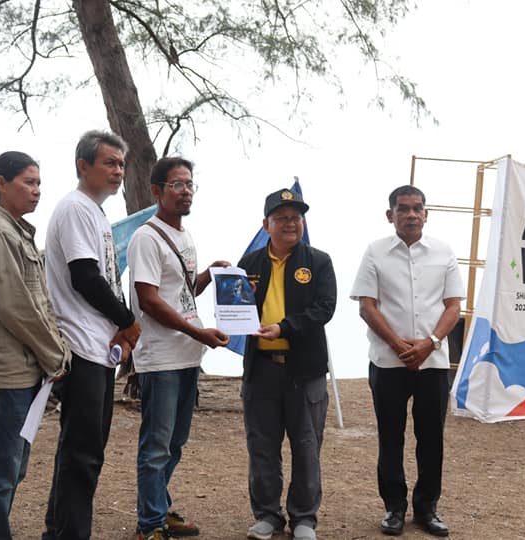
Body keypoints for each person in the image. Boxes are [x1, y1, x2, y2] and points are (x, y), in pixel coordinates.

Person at [0, 151, 70, 539]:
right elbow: (15, 307)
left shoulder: (16, 232)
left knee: (10, 469)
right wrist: (56, 356)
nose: (36, 191)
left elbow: (39, 302)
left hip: (21, 374)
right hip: (1, 377)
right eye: (28, 182)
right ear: (1, 183)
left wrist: (53, 353)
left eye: (39, 183)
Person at [42, 130, 142, 540]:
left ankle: (58, 531)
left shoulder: (96, 213)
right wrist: (127, 320)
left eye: (121, 164)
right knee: (82, 453)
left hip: (98, 345)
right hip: (80, 345)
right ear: (83, 166)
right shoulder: (75, 209)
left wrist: (119, 330)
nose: (118, 171)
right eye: (109, 163)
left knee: (85, 450)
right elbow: (85, 277)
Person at [350, 185, 464, 537]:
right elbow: (366, 306)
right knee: (390, 437)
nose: (411, 214)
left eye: (417, 208)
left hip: (432, 364)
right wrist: (399, 345)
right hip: (388, 362)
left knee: (431, 439)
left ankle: (427, 509)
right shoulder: (375, 252)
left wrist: (430, 344)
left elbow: (453, 307)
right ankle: (394, 508)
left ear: (426, 214)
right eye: (403, 209)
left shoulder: (444, 252)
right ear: (391, 215)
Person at [127, 156, 230, 540]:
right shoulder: (146, 238)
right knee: (156, 446)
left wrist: (209, 274)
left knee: (175, 443)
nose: (186, 191)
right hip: (161, 357)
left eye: (189, 184)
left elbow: (182, 293)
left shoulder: (184, 237)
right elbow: (150, 300)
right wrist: (198, 333)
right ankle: (150, 524)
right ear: (156, 191)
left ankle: (159, 506)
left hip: (187, 354)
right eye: (177, 185)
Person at [238, 188, 337, 540]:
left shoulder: (319, 262)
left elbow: (324, 308)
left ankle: (304, 518)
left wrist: (284, 327)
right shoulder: (249, 264)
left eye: (296, 217)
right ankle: (267, 515)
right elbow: (234, 308)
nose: (290, 223)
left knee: (307, 447)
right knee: (262, 446)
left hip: (305, 372)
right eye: (281, 218)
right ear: (266, 224)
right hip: (261, 369)